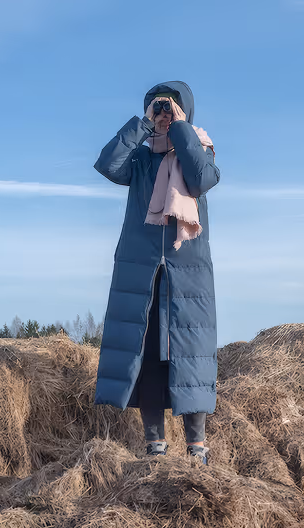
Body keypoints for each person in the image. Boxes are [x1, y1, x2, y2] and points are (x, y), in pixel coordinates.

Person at [92, 81, 220, 463]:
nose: (164, 114)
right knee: (147, 357)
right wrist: (143, 125)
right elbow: (107, 164)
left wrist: (181, 129)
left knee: (191, 357)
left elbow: (201, 179)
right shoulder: (142, 159)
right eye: (158, 109)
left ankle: (197, 447)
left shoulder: (200, 150)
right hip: (142, 272)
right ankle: (154, 447)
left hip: (187, 274)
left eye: (171, 109)